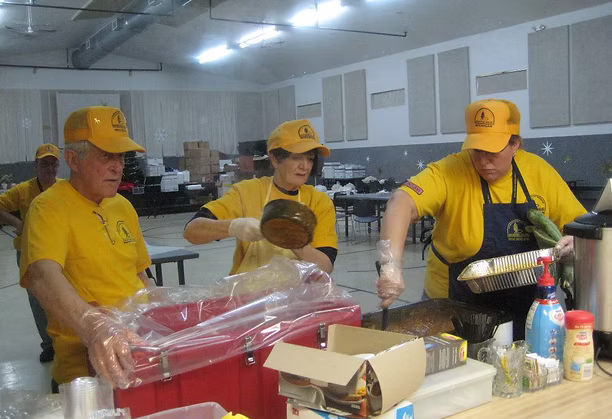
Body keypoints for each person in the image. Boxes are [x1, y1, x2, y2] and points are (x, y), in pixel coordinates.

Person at [377, 99, 586, 339]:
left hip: (524, 306)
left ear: (515, 144)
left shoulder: (539, 173)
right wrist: (390, 265)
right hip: (452, 306)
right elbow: (400, 203)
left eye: (493, 151)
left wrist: (575, 242)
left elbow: (581, 225)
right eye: (477, 150)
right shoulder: (450, 171)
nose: (484, 161)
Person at [19, 106, 154, 391]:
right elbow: (43, 276)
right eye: (106, 156)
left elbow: (140, 275)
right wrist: (95, 327)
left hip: (139, 353)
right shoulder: (49, 207)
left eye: (120, 156)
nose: (118, 166)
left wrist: (162, 315)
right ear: (73, 160)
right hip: (86, 373)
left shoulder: (122, 206)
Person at [184, 119, 338, 274]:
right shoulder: (246, 192)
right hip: (249, 287)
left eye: (310, 159)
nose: (305, 166)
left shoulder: (319, 202)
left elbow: (325, 266)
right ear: (275, 159)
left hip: (298, 289)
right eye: (296, 157)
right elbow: (191, 231)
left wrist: (292, 239)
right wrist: (233, 226)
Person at [0, 144, 60, 362]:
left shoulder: (66, 188)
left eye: (53, 163)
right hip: (30, 254)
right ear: (36, 166)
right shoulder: (23, 190)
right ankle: (49, 345)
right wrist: (17, 222)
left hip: (60, 252)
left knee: (64, 296)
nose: (49, 168)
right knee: (38, 300)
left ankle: (66, 341)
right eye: (44, 163)